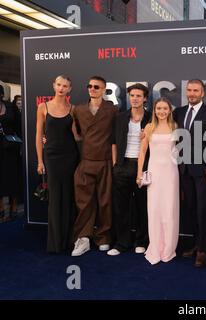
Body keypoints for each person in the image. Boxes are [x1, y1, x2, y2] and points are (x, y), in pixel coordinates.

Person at [172, 79, 206, 267]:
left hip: (202, 171)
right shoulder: (179, 112)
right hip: (183, 168)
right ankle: (193, 244)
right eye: (189, 90)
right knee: (190, 208)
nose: (191, 93)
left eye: (196, 90)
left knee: (203, 210)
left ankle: (202, 250)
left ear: (202, 93)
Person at [71, 76, 117, 256]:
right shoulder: (79, 109)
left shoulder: (112, 110)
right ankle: (83, 238)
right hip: (86, 161)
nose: (92, 89)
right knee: (84, 202)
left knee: (105, 201)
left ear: (104, 90)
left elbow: (116, 136)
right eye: (89, 86)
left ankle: (104, 237)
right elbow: (76, 133)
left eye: (96, 87)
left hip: (105, 161)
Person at [35, 75, 79, 253]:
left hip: (70, 157)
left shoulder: (73, 109)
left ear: (70, 89)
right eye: (59, 84)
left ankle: (69, 240)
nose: (61, 88)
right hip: (51, 157)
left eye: (65, 86)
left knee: (69, 197)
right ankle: (55, 243)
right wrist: (39, 160)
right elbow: (38, 135)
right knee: (54, 199)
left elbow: (77, 136)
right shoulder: (43, 107)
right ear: (54, 85)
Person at [107, 83, 150, 256]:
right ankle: (121, 243)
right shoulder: (120, 117)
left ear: (145, 98)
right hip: (122, 166)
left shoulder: (151, 119)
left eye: (139, 96)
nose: (135, 98)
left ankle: (141, 241)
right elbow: (114, 142)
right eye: (132, 95)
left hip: (143, 167)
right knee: (121, 207)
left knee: (142, 206)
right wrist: (115, 164)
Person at [137, 97, 179, 264]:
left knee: (169, 210)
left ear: (169, 110)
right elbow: (142, 152)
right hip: (154, 172)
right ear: (154, 110)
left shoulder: (175, 127)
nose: (162, 111)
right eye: (158, 108)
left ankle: (168, 248)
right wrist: (139, 173)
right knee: (154, 210)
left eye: (165, 109)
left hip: (171, 173)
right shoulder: (148, 127)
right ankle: (154, 245)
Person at [0, 84, 21, 222]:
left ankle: (13, 208)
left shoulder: (10, 107)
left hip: (11, 148)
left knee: (13, 177)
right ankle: (1, 209)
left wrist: (21, 145)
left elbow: (19, 126)